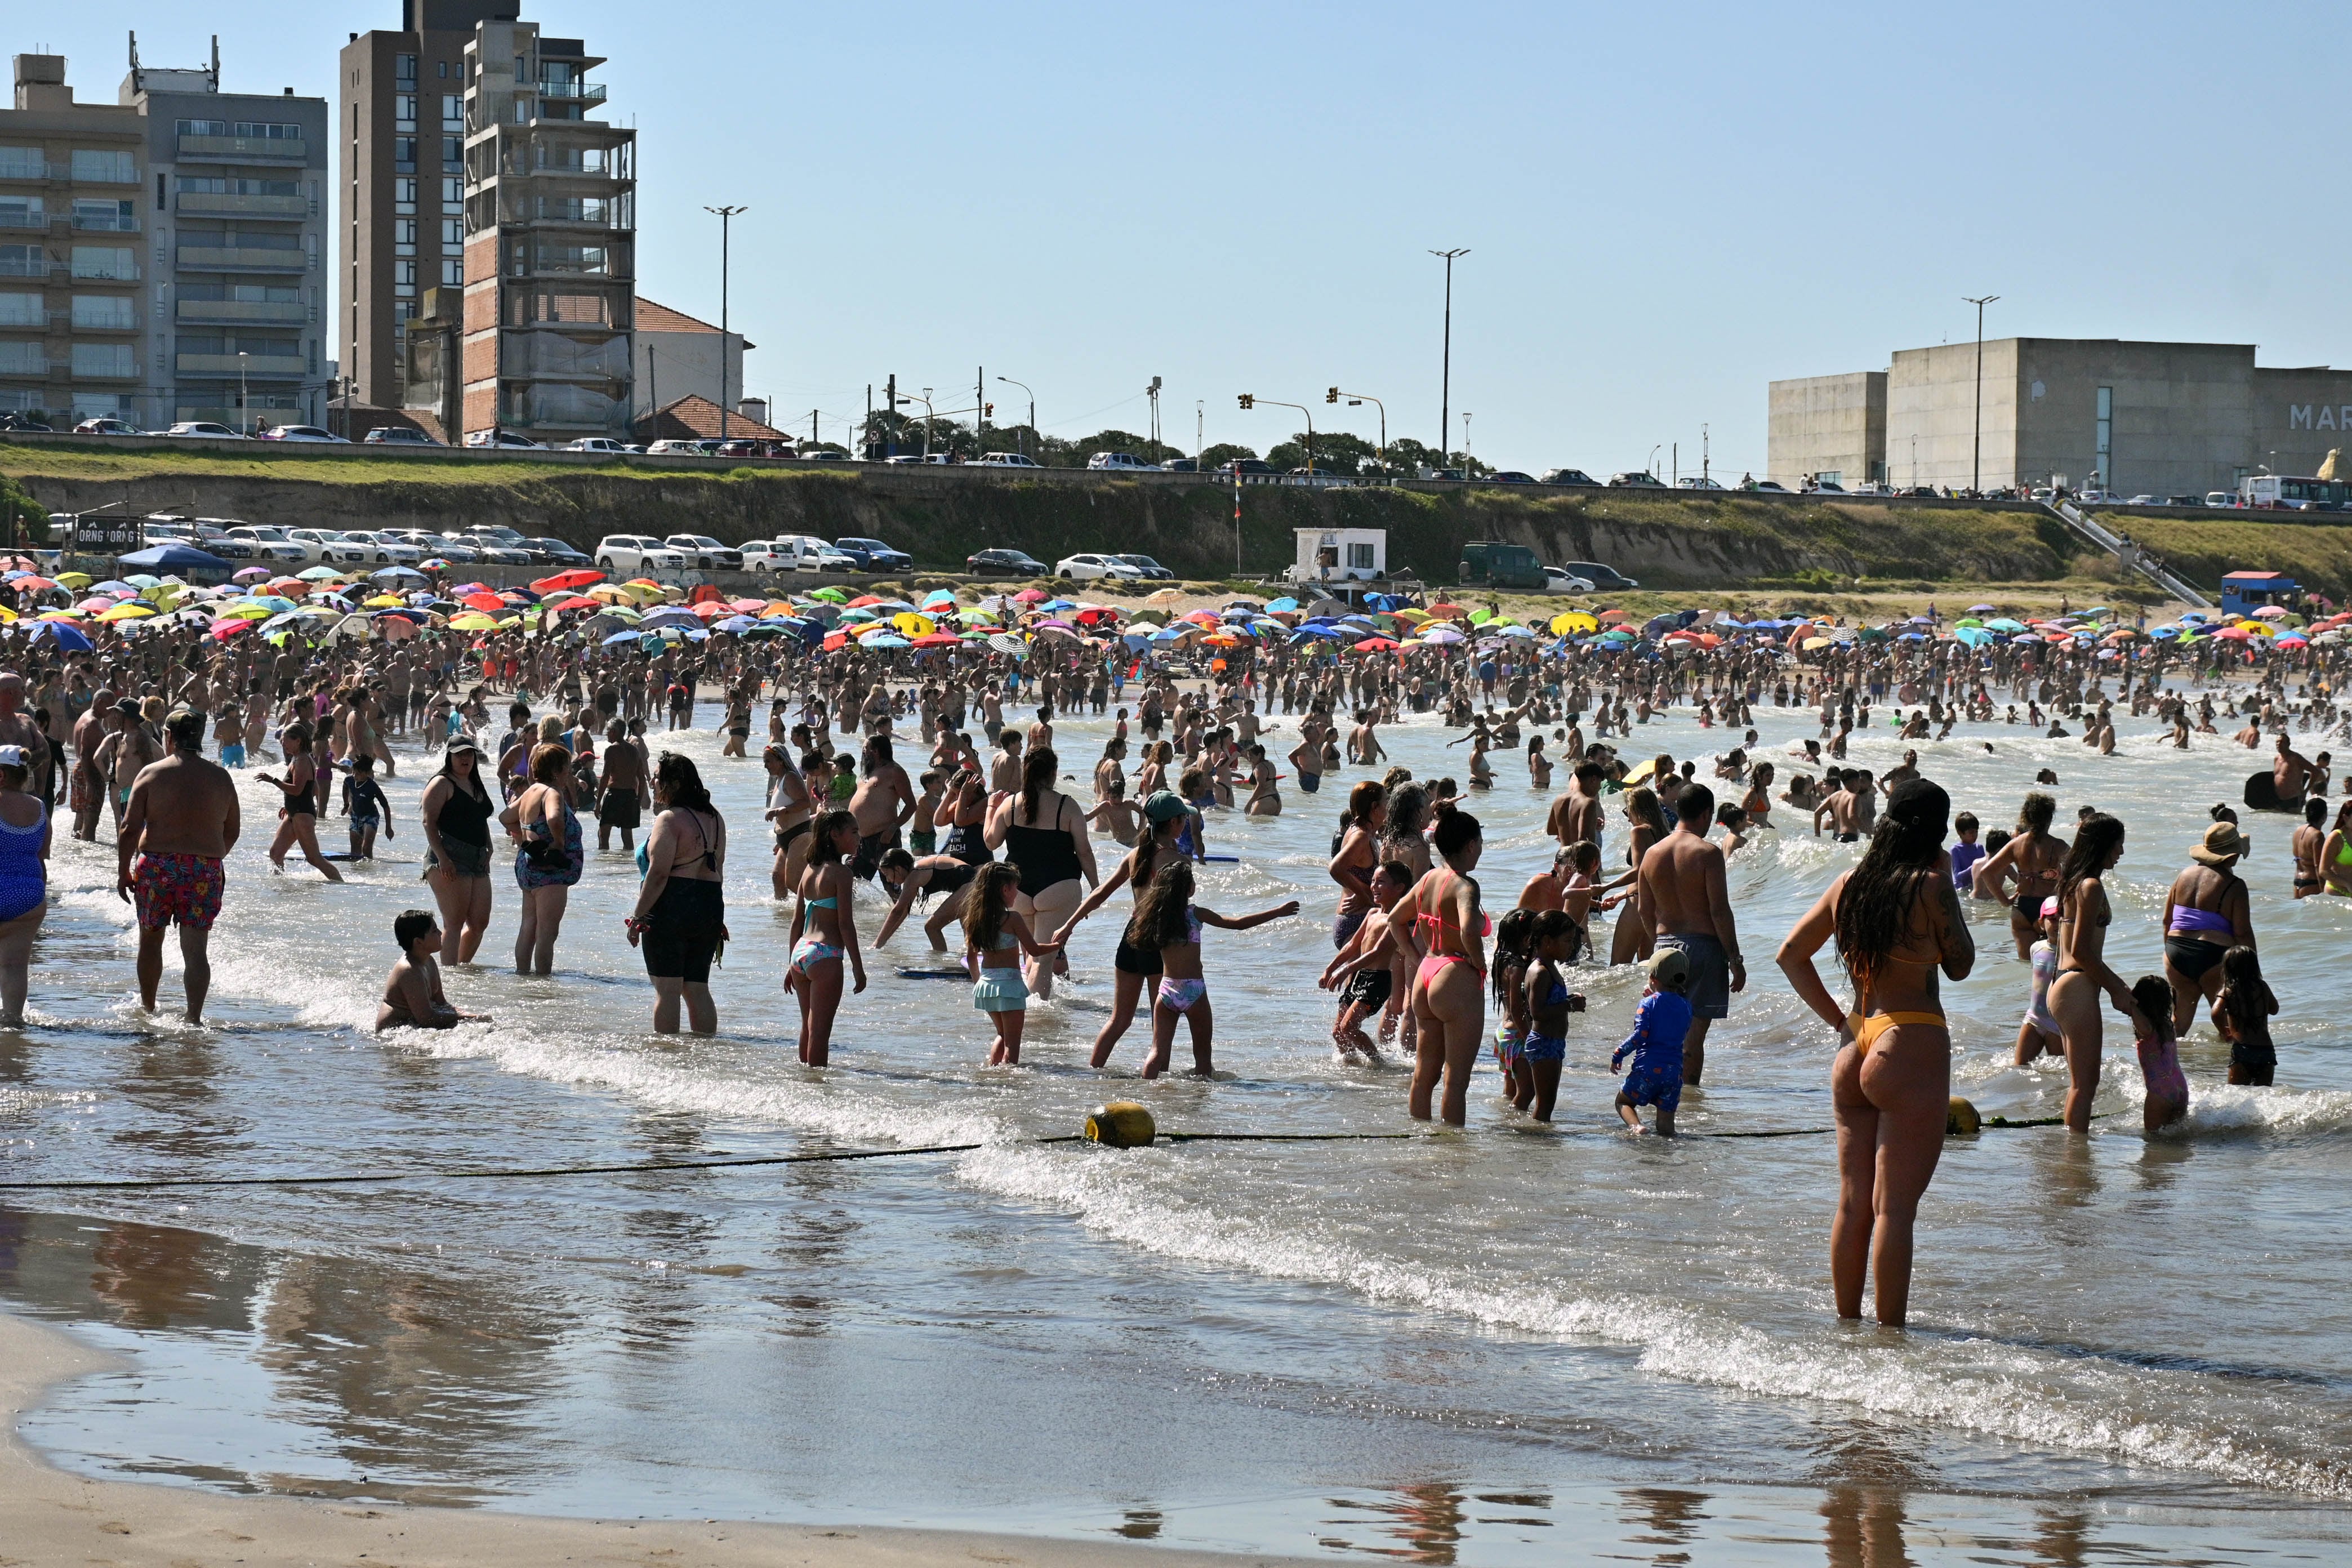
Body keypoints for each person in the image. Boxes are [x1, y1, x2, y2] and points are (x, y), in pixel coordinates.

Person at [1775, 777, 1975, 1326]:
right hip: (1908, 1037)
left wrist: (1840, 1022)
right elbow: (1961, 965)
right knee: (1895, 1210)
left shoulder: (1849, 883)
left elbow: (1791, 955)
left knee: (1852, 1203)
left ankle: (1847, 1330)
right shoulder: (1932, 885)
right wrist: (1945, 882)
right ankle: (1889, 1346)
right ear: (1936, 832)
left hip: (1856, 1042)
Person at [115, 707, 240, 1024]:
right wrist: (210, 859)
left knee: (151, 939)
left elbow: (129, 827)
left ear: (169, 737)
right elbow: (233, 828)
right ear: (199, 738)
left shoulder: (152, 773)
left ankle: (148, 1008)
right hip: (204, 868)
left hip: (157, 866)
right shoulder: (220, 777)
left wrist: (122, 871)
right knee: (196, 949)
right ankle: (194, 1018)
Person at [1128, 857, 1296, 1079]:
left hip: (1167, 990)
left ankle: (1147, 1094)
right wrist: (1277, 912)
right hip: (1194, 991)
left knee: (1157, 1052)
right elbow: (1237, 924)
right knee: (1203, 1056)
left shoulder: (1156, 916)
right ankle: (1200, 1105)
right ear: (1190, 889)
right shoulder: (1196, 914)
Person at [1066, 791, 1191, 1068]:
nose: (1185, 823)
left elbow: (1099, 894)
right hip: (1161, 943)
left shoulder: (1135, 855)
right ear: (1174, 823)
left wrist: (1067, 926)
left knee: (1119, 1020)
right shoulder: (1179, 861)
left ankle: (1093, 1071)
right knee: (1163, 1030)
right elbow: (1184, 906)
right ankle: (1156, 1088)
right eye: (1184, 819)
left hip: (1131, 938)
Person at [1386, 804, 1489, 1126]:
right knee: (1456, 1080)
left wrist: (1416, 958)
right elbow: (1470, 928)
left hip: (1427, 973)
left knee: (1423, 1074)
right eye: (1480, 843)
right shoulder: (1466, 886)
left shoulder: (1430, 877)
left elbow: (1395, 919)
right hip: (1455, 976)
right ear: (1470, 845)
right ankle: (1451, 1155)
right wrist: (1479, 963)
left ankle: (1418, 1139)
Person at [1635, 783, 1743, 1085]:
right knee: (1693, 1040)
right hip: (1703, 948)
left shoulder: (1652, 854)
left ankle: (1659, 1095)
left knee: (1666, 1032)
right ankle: (1686, 1105)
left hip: (1665, 946)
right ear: (1707, 813)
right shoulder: (1707, 853)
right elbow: (1719, 911)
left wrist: (1657, 948)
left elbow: (1645, 911)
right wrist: (1735, 959)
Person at [2047, 814, 2139, 1134]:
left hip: (2064, 984)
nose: (2122, 852)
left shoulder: (2075, 882)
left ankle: (2073, 1152)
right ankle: (2076, 1158)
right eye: (2119, 845)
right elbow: (2083, 952)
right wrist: (2117, 988)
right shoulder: (2090, 885)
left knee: (2080, 1084)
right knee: (2086, 1084)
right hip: (2076, 986)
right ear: (2103, 845)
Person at [626, 752, 728, 1035]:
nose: (653, 781)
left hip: (673, 904)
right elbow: (718, 871)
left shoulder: (669, 819)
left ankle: (667, 1060)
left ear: (673, 784)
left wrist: (637, 917)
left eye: (658, 777)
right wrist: (716, 918)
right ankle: (703, 1053)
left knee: (667, 989)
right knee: (697, 987)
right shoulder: (716, 818)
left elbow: (658, 875)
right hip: (710, 904)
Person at [985, 746, 1095, 1001]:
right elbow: (1085, 853)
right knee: (1043, 960)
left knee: (1031, 955)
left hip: (1018, 890)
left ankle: (1024, 1006)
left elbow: (991, 843)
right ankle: (1036, 1016)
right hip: (1058, 888)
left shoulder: (1010, 804)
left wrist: (992, 808)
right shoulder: (1067, 806)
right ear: (1053, 773)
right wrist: (1096, 888)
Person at [963, 860, 1065, 1066]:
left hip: (986, 986)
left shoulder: (975, 919)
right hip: (1009, 986)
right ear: (1004, 889)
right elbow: (1035, 951)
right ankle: (1008, 1082)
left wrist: (978, 985)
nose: (1017, 894)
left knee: (1002, 1034)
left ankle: (993, 1072)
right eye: (1015, 889)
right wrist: (1057, 945)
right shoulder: (1013, 919)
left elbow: (972, 957)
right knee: (1013, 1043)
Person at [2159, 822, 2253, 1035]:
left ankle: (2166, 1064)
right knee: (2230, 1026)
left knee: (2179, 1026)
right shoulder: (2235, 885)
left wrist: (2172, 953)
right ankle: (2226, 1067)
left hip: (2176, 953)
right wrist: (2252, 968)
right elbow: (2242, 932)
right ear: (2232, 856)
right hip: (2214, 957)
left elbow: (2167, 921)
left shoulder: (2183, 876)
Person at [786, 809, 865, 1063]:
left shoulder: (809, 870)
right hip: (825, 955)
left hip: (801, 953)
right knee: (820, 1034)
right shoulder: (842, 874)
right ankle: (817, 1091)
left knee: (807, 1028)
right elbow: (845, 925)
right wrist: (858, 967)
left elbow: (797, 922)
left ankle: (803, 1083)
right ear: (835, 835)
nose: (859, 837)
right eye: (853, 832)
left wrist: (791, 964)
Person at [502, 742, 583, 975]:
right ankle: (542, 982)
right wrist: (558, 843)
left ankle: (522, 977)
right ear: (557, 771)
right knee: (547, 933)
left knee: (529, 926)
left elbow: (505, 817)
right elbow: (555, 818)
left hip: (528, 865)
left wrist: (524, 833)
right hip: (550, 870)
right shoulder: (552, 793)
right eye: (567, 768)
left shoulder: (531, 791)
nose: (569, 772)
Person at [1319, 860, 1410, 1061]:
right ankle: (1352, 1066)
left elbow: (1377, 952)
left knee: (1349, 1027)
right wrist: (1330, 969)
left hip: (1377, 983)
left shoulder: (1396, 919)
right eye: (1373, 881)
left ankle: (1377, 1064)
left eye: (1381, 883)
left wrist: (1344, 971)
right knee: (1338, 1033)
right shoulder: (1372, 913)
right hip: (1360, 977)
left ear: (1399, 888)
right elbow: (1351, 946)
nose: (1374, 887)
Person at [418, 737, 496, 964]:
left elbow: (481, 819)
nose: (465, 759)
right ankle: (450, 978)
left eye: (469, 754)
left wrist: (489, 846)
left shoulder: (475, 782)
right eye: (460, 754)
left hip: (477, 858)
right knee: (454, 922)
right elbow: (428, 823)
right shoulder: (441, 783)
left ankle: (461, 970)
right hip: (448, 855)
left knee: (480, 922)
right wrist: (443, 858)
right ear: (449, 756)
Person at [1972, 792, 2066, 960]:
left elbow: (1986, 872)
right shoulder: (2057, 845)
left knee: (2027, 967)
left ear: (2027, 818)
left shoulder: (2015, 844)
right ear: (2050, 818)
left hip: (2020, 909)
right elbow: (2079, 871)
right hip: (2047, 910)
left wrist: (2004, 900)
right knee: (2051, 966)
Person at [1612, 947, 1694, 1135]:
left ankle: (1637, 1127)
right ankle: (1667, 1153)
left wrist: (1618, 1053)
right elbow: (1674, 1028)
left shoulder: (1647, 1004)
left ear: (1653, 979)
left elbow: (1641, 1035)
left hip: (1647, 1069)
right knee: (1666, 1125)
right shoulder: (1687, 1006)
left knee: (1623, 1102)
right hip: (1673, 1072)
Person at [1516, 908, 1583, 1120]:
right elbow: (1538, 1012)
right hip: (1544, 1043)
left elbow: (1549, 1002)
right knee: (1545, 1105)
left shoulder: (1549, 967)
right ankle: (1538, 1143)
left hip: (1553, 1043)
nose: (1571, 946)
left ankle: (1537, 1137)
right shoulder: (1540, 972)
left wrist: (1568, 1000)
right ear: (1547, 941)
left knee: (1547, 1102)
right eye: (1567, 941)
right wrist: (1569, 1005)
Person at [376, 909, 489, 1031]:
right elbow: (426, 1019)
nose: (441, 933)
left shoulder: (429, 961)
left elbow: (441, 1003)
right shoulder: (408, 971)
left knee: (483, 1026)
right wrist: (464, 1017)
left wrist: (471, 1016)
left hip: (415, 1025)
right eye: (434, 931)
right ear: (418, 942)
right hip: (394, 1033)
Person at [0, 744, 48, 1026]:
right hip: (28, 897)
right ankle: (12, 1024)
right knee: (15, 967)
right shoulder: (40, 808)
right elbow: (42, 856)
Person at [2130, 974, 2189, 1132]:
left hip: (2160, 1092)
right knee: (2176, 1136)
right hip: (2180, 1088)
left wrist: (2130, 1002)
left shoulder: (2147, 1029)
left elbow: (2129, 1007)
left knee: (2153, 1140)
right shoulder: (2168, 1025)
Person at [2215, 945, 2277, 1086]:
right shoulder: (2263, 987)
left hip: (2243, 1050)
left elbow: (2215, 1013)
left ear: (2228, 968)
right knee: (2263, 1095)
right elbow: (2274, 1010)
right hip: (2266, 1050)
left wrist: (2224, 1031)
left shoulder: (2228, 991)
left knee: (2235, 1094)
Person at [2015, 897, 2062, 1067]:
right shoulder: (2036, 948)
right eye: (2053, 919)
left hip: (2057, 1024)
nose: (2058, 923)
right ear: (2042, 923)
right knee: (2019, 1067)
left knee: (2060, 1072)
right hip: (2033, 1018)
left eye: (2063, 918)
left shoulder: (2070, 954)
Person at [597, 719, 648, 852]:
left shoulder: (612, 749)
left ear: (614, 732)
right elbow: (642, 779)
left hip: (614, 794)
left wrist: (597, 803)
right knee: (627, 836)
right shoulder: (634, 750)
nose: (607, 735)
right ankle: (627, 868)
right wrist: (638, 799)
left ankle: (604, 864)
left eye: (608, 732)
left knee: (604, 833)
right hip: (630, 796)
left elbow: (605, 777)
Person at [341, 754, 391, 861]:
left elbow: (386, 806)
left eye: (359, 774)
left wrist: (388, 828)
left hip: (371, 817)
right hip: (355, 817)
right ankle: (357, 872)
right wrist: (346, 805)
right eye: (354, 772)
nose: (355, 776)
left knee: (366, 848)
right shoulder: (349, 780)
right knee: (355, 851)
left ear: (367, 773)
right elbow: (345, 786)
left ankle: (369, 871)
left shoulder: (372, 786)